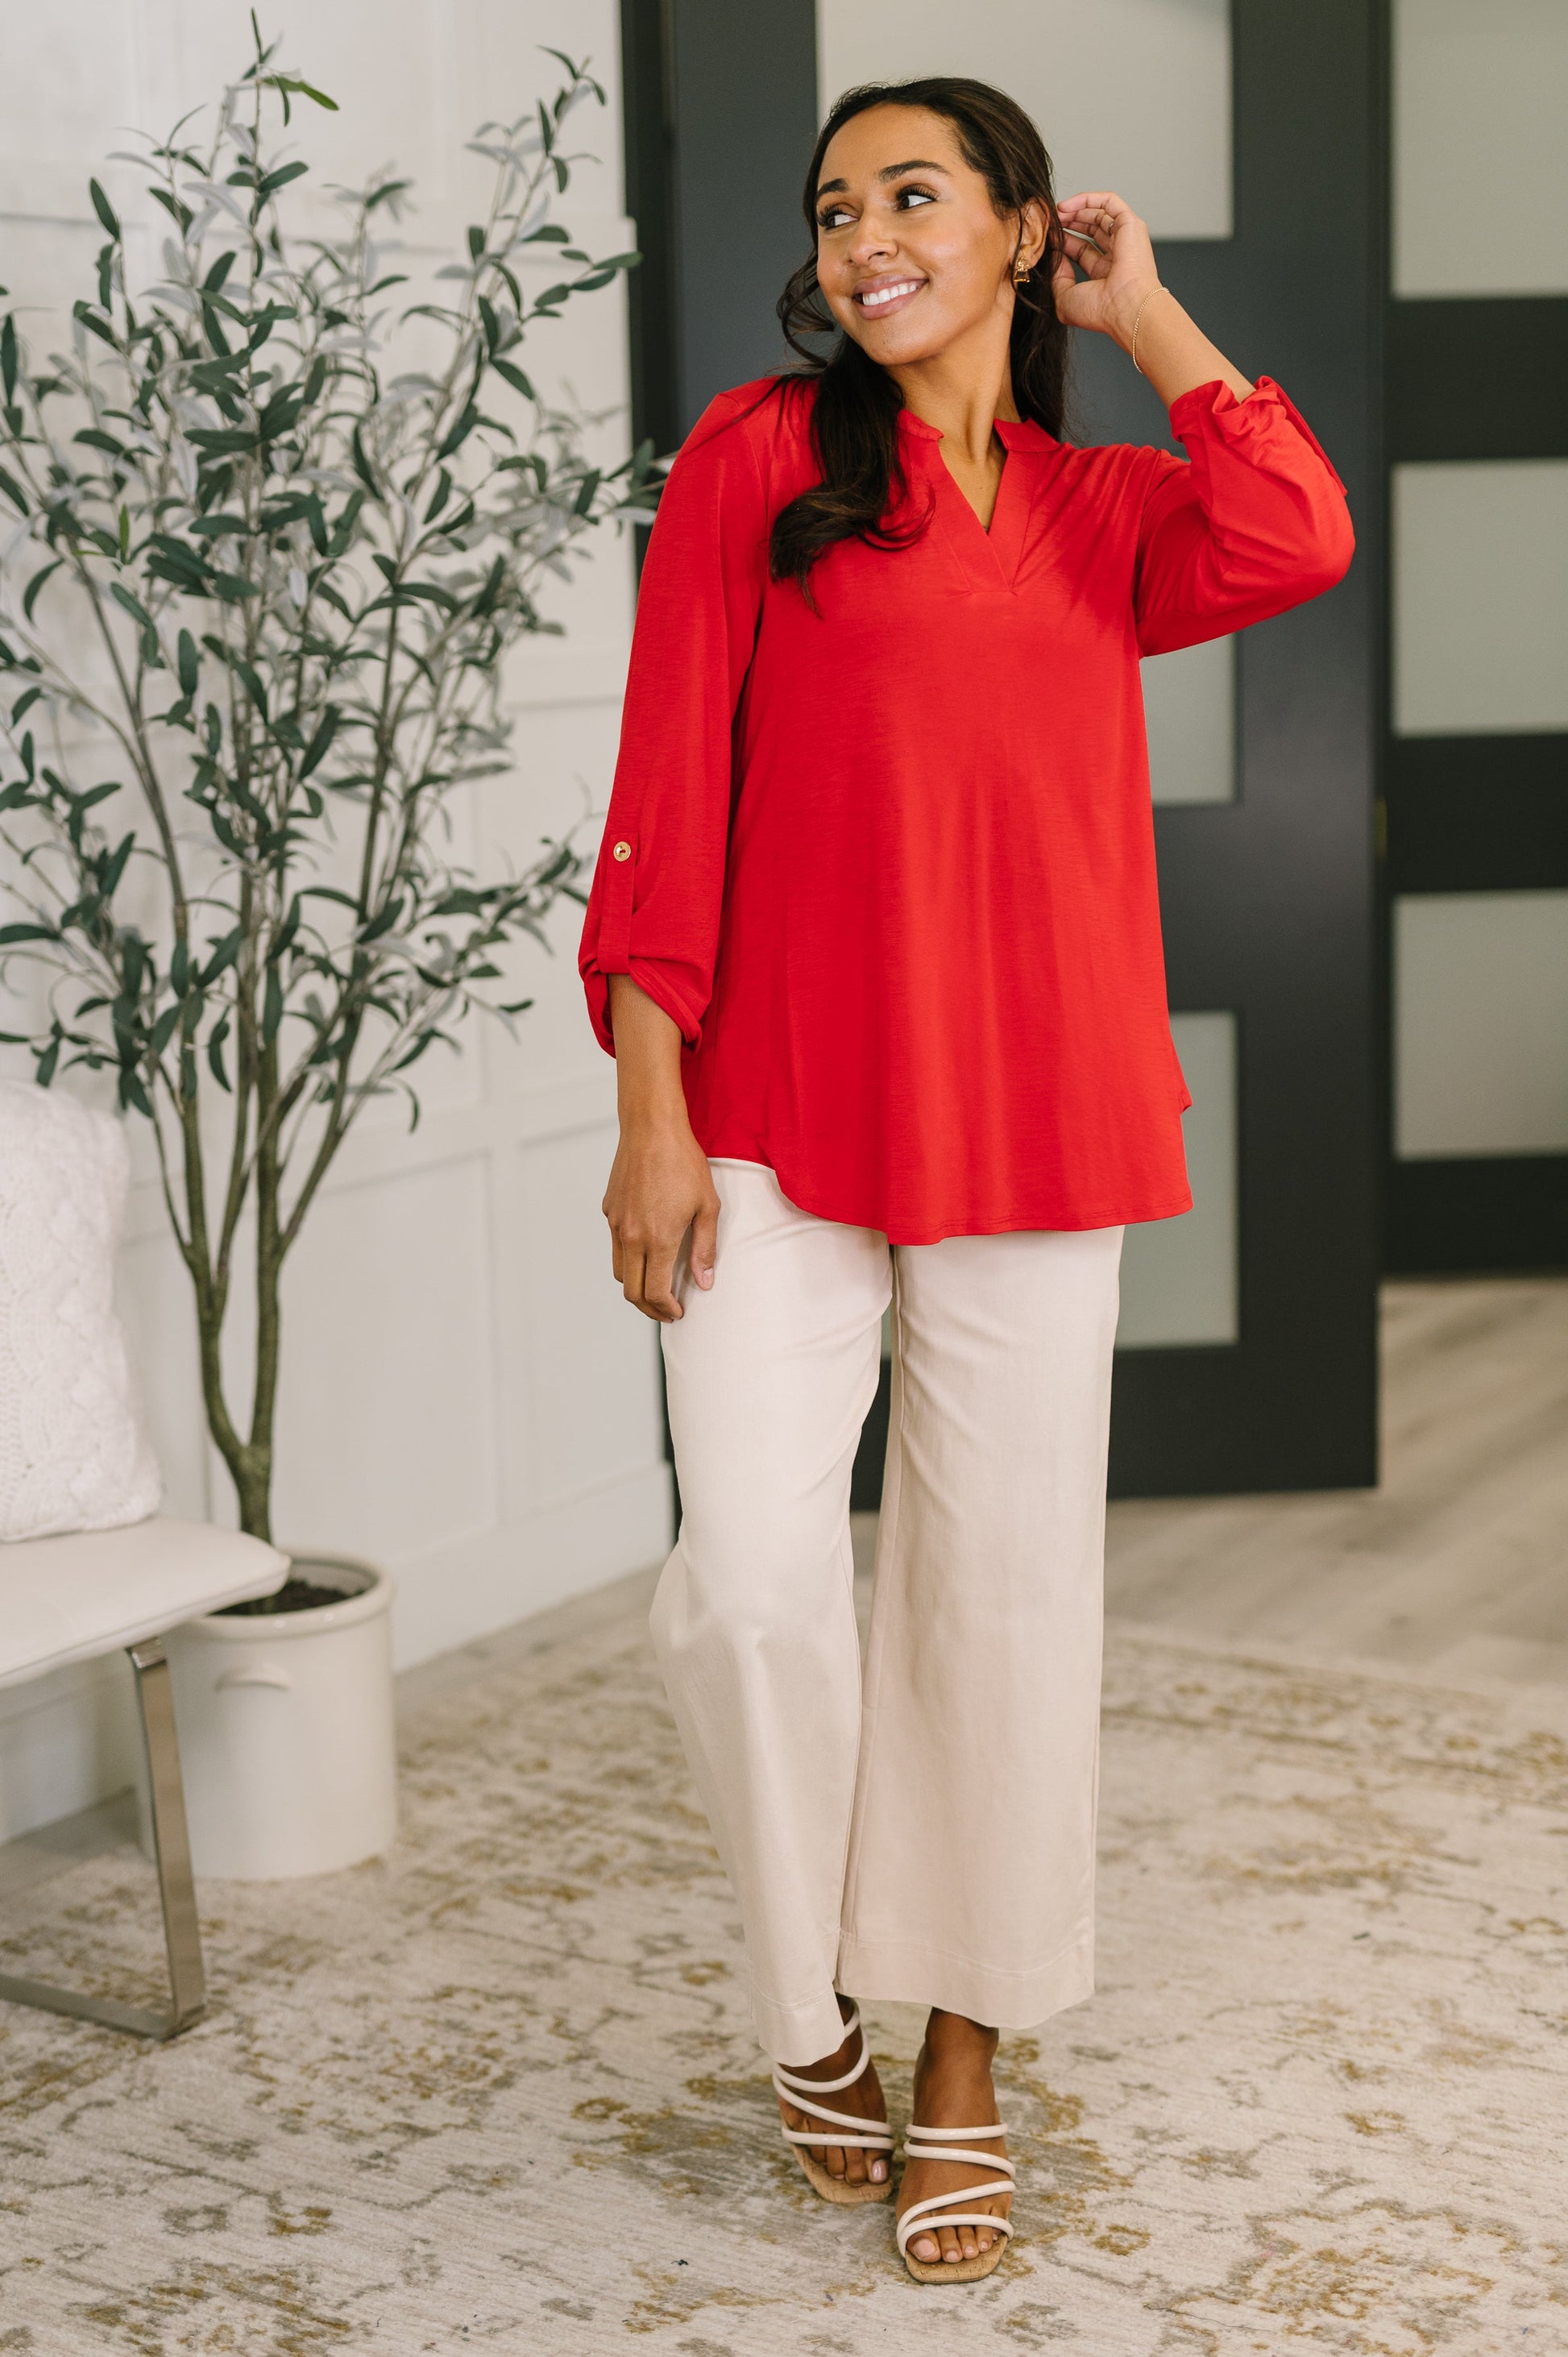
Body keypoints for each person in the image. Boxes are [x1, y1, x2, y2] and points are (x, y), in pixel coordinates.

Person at [579, 75, 1352, 2284]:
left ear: (1022, 229)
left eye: (913, 197)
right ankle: (804, 2007)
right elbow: (662, 778)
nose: (861, 242)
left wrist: (1147, 317)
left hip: (1033, 1110)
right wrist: (648, 1113)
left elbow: (1297, 530)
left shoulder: (1108, 510)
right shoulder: (757, 458)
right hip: (769, 1109)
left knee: (998, 1598)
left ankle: (957, 2056)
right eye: (836, 210)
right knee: (749, 1587)